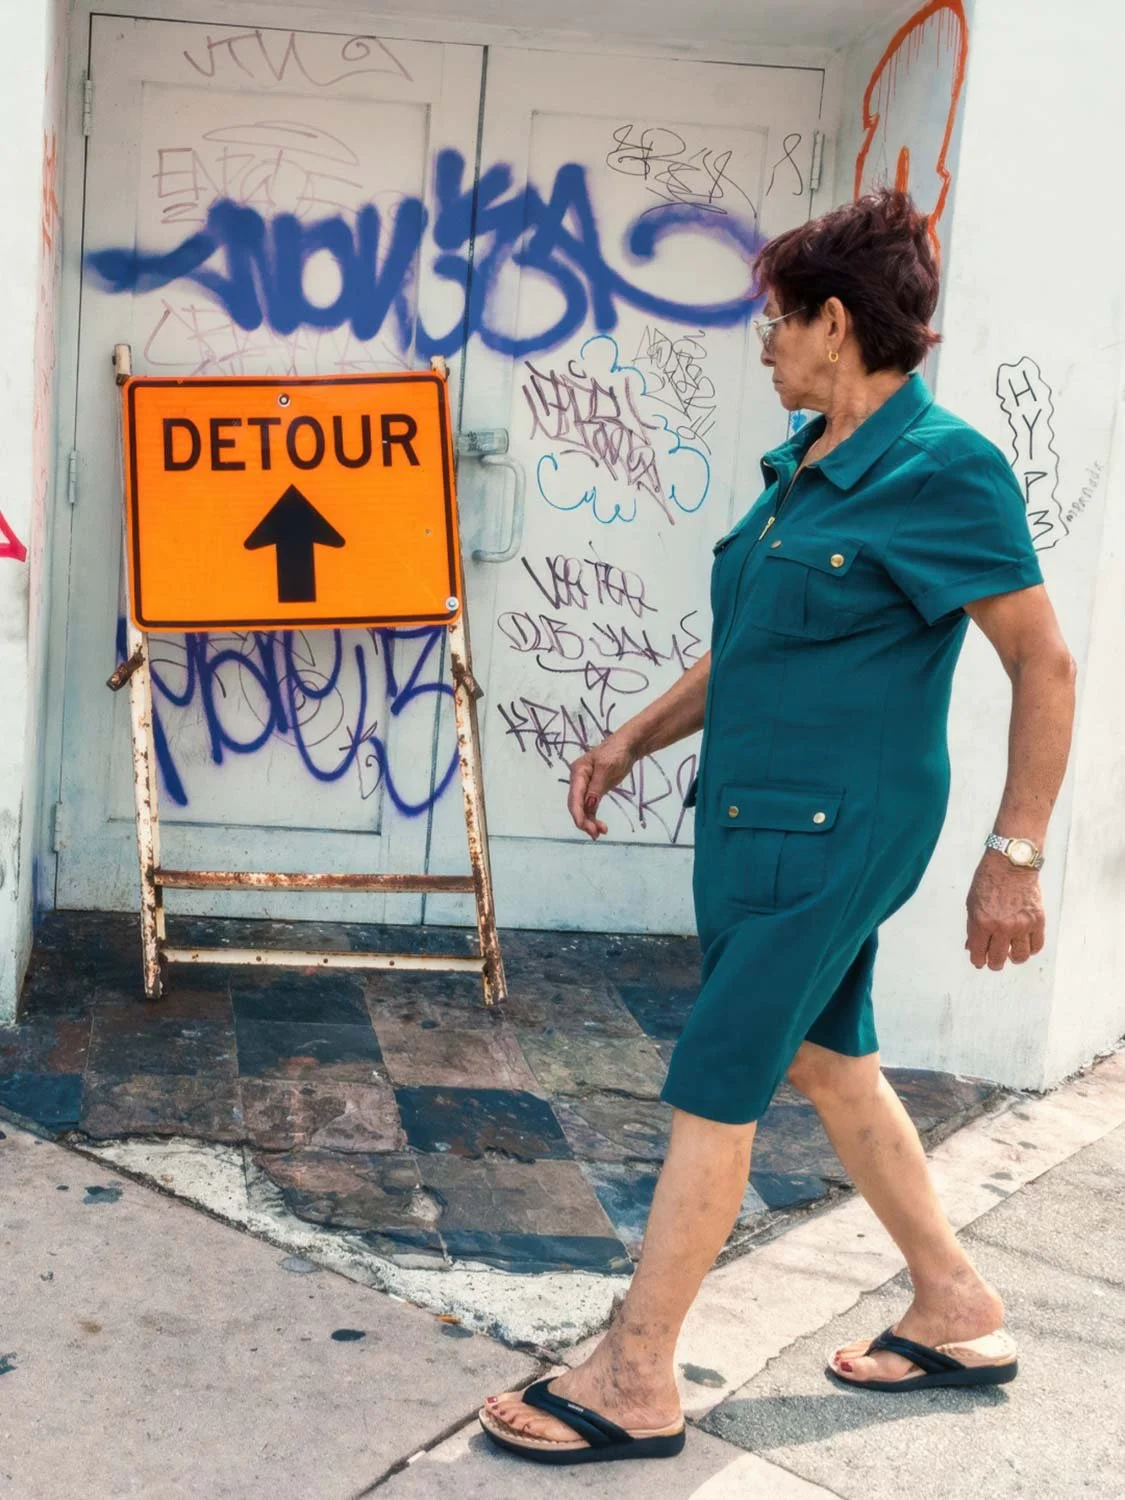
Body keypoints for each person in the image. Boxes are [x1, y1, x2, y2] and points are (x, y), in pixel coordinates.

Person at [479, 189, 1076, 1466]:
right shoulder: (799, 469)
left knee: (722, 1068)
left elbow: (1044, 665)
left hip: (840, 828)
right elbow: (751, 648)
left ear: (836, 322)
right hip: (757, 822)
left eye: (777, 322)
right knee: (825, 1059)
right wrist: (633, 736)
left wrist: (1013, 854)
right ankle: (958, 1304)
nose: (762, 345)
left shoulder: (941, 469)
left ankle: (639, 1373)